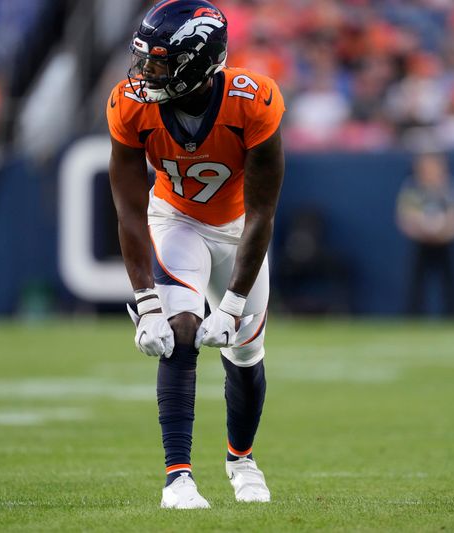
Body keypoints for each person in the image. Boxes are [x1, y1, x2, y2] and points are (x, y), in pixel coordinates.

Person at [106, 0, 284, 509]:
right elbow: (128, 211)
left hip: (238, 230)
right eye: (145, 60)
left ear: (196, 64)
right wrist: (145, 303)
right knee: (177, 330)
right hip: (175, 218)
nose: (144, 74)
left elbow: (262, 216)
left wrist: (230, 306)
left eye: (159, 63)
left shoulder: (254, 101)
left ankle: (241, 460)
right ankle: (177, 479)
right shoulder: (131, 104)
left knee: (245, 353)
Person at [396, 152, 454, 316]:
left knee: (449, 282)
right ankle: (413, 316)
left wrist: (443, 231)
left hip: (446, 241)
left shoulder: (451, 187)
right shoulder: (412, 187)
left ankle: (453, 316)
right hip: (421, 242)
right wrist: (422, 229)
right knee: (416, 282)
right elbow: (404, 215)